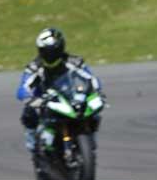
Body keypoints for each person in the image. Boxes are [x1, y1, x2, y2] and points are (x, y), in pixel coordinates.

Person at [16, 27, 103, 155]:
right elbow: (23, 87)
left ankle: (89, 140)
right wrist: (30, 98)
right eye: (46, 51)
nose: (50, 54)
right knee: (29, 113)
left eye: (54, 50)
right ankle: (34, 147)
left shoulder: (74, 62)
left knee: (93, 111)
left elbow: (91, 78)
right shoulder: (34, 67)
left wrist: (95, 91)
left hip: (69, 96)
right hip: (44, 99)